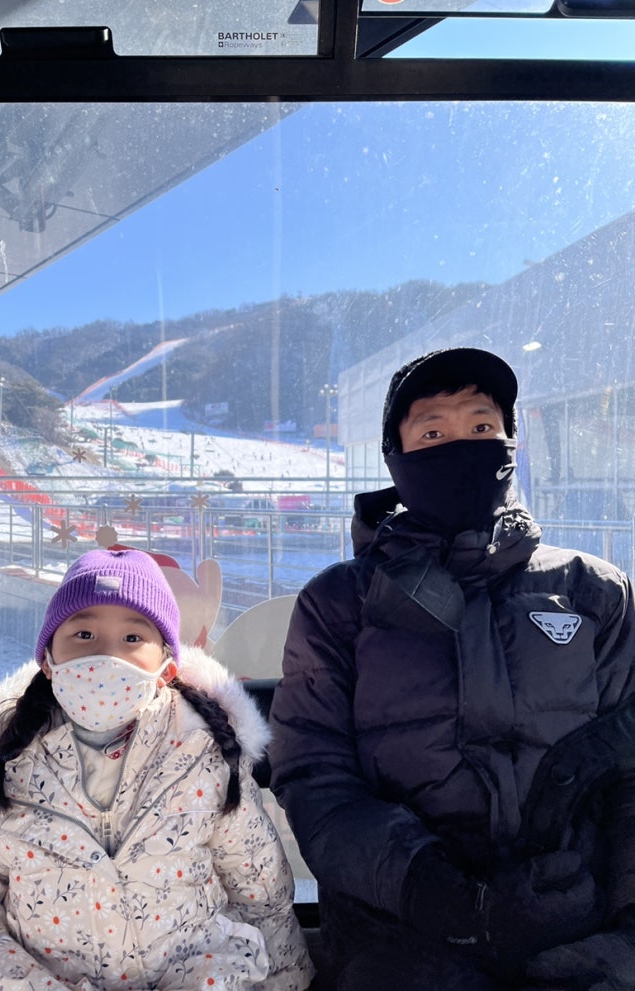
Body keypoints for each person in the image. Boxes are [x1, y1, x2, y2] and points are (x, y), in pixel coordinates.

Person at [268, 347, 635, 991]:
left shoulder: (594, 591)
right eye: (433, 433)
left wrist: (623, 924)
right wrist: (440, 896)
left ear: (511, 443)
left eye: (481, 426)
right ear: (397, 457)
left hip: (578, 918)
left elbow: (627, 769)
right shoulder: (340, 603)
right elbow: (314, 776)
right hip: (400, 928)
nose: (461, 445)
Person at [0, 548, 314, 991]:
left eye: (132, 638)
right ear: (48, 660)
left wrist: (288, 979)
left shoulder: (205, 755)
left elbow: (257, 883)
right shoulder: (1, 764)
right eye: (83, 633)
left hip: (188, 973)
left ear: (166, 668)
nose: (106, 655)